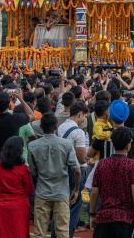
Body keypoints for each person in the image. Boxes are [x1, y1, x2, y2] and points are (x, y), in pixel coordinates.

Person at [28, 113, 81, 238]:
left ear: (41, 126)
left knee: (39, 233)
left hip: (42, 191)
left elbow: (32, 171)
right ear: (56, 126)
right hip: (61, 192)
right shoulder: (66, 144)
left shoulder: (32, 145)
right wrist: (76, 189)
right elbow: (77, 170)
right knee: (62, 231)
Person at [90, 127, 134, 237]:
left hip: (104, 217)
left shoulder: (102, 164)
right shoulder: (132, 165)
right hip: (125, 219)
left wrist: (92, 214)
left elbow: (95, 192)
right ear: (128, 145)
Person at [0, 136, 34, 238]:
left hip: (1, 206)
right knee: (19, 233)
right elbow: (29, 189)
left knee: (2, 234)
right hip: (20, 207)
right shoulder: (23, 169)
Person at [56, 101, 89, 237]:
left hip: (61, 168)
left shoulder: (61, 126)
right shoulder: (78, 132)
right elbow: (81, 158)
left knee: (61, 207)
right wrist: (89, 156)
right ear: (80, 114)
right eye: (84, 116)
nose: (84, 119)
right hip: (75, 171)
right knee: (74, 207)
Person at [0, 90, 34, 164]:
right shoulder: (16, 118)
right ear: (9, 104)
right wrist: (20, 98)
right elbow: (31, 115)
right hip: (12, 161)